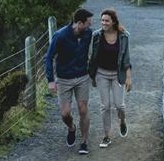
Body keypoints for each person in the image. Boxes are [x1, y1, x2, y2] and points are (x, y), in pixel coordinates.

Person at [44, 8, 94, 155]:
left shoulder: (88, 34)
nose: (90, 27)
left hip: (82, 77)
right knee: (65, 114)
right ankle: (72, 128)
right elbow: (49, 58)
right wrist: (50, 80)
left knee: (83, 109)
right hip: (64, 79)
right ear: (79, 23)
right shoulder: (60, 36)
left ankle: (84, 142)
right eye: (88, 23)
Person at [88, 8, 132, 148]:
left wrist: (128, 78)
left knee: (120, 105)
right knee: (105, 106)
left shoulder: (123, 36)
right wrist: (92, 74)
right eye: (102, 20)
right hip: (101, 74)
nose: (104, 23)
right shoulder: (96, 35)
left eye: (107, 20)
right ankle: (106, 136)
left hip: (117, 74)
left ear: (113, 22)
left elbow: (126, 60)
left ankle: (122, 120)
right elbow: (92, 56)